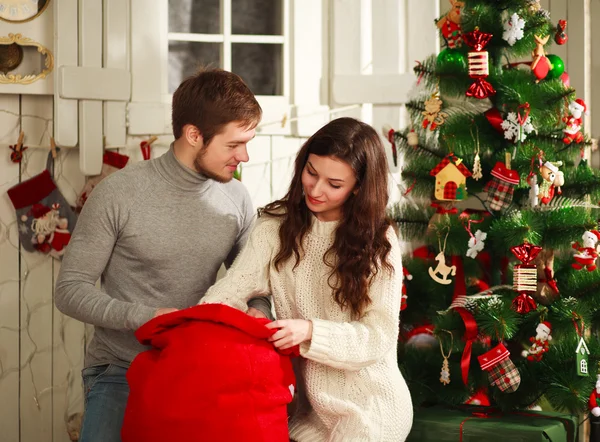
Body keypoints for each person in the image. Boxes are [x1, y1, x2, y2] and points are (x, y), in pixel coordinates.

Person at [55, 67, 272, 442]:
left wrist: (261, 309)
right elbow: (70, 290)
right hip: (120, 369)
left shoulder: (237, 198)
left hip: (199, 368)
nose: (246, 156)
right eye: (234, 144)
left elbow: (256, 280)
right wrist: (146, 317)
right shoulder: (118, 194)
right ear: (193, 135)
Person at [200, 117, 413, 441]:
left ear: (358, 187)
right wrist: (194, 329)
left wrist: (311, 332)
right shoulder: (275, 226)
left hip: (373, 412)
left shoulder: (378, 242)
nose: (315, 189)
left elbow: (378, 336)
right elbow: (230, 291)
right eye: (311, 173)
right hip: (308, 417)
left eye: (334, 184)